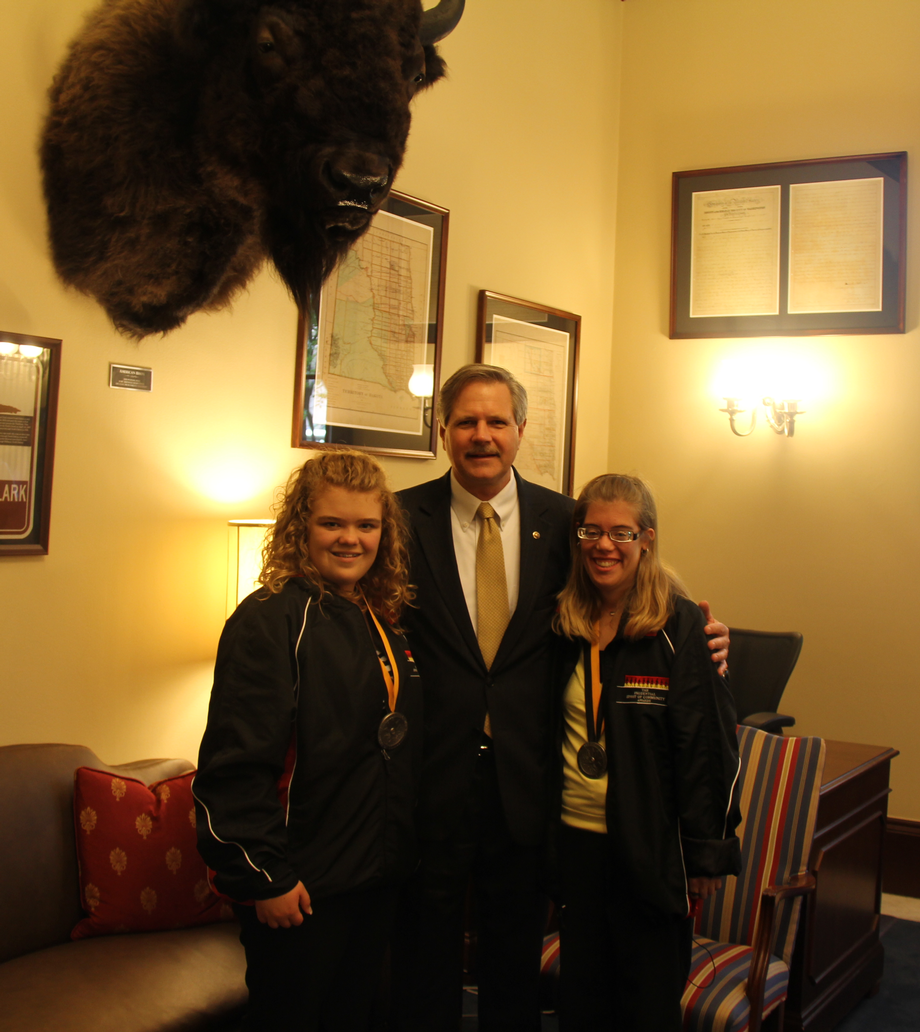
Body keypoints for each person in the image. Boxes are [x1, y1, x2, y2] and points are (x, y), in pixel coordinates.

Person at [392, 365, 731, 1031]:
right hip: (433, 779)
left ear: (522, 430)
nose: (481, 436)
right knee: (423, 956)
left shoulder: (564, 522)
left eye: (496, 422)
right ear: (442, 431)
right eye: (466, 422)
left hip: (531, 787)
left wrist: (704, 637)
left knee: (514, 962)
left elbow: (625, 590)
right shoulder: (401, 521)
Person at [193, 450, 422, 1032]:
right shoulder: (268, 619)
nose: (351, 539)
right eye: (332, 524)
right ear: (302, 528)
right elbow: (233, 770)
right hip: (298, 890)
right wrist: (264, 877)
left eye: (366, 525)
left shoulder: (378, 613)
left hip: (370, 880)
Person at [552, 473, 742, 1032]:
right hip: (576, 844)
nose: (603, 545)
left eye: (621, 532)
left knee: (645, 1002)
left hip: (650, 848)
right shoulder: (562, 622)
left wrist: (707, 851)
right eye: (591, 530)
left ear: (647, 539)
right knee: (582, 998)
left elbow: (708, 748)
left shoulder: (680, 627)